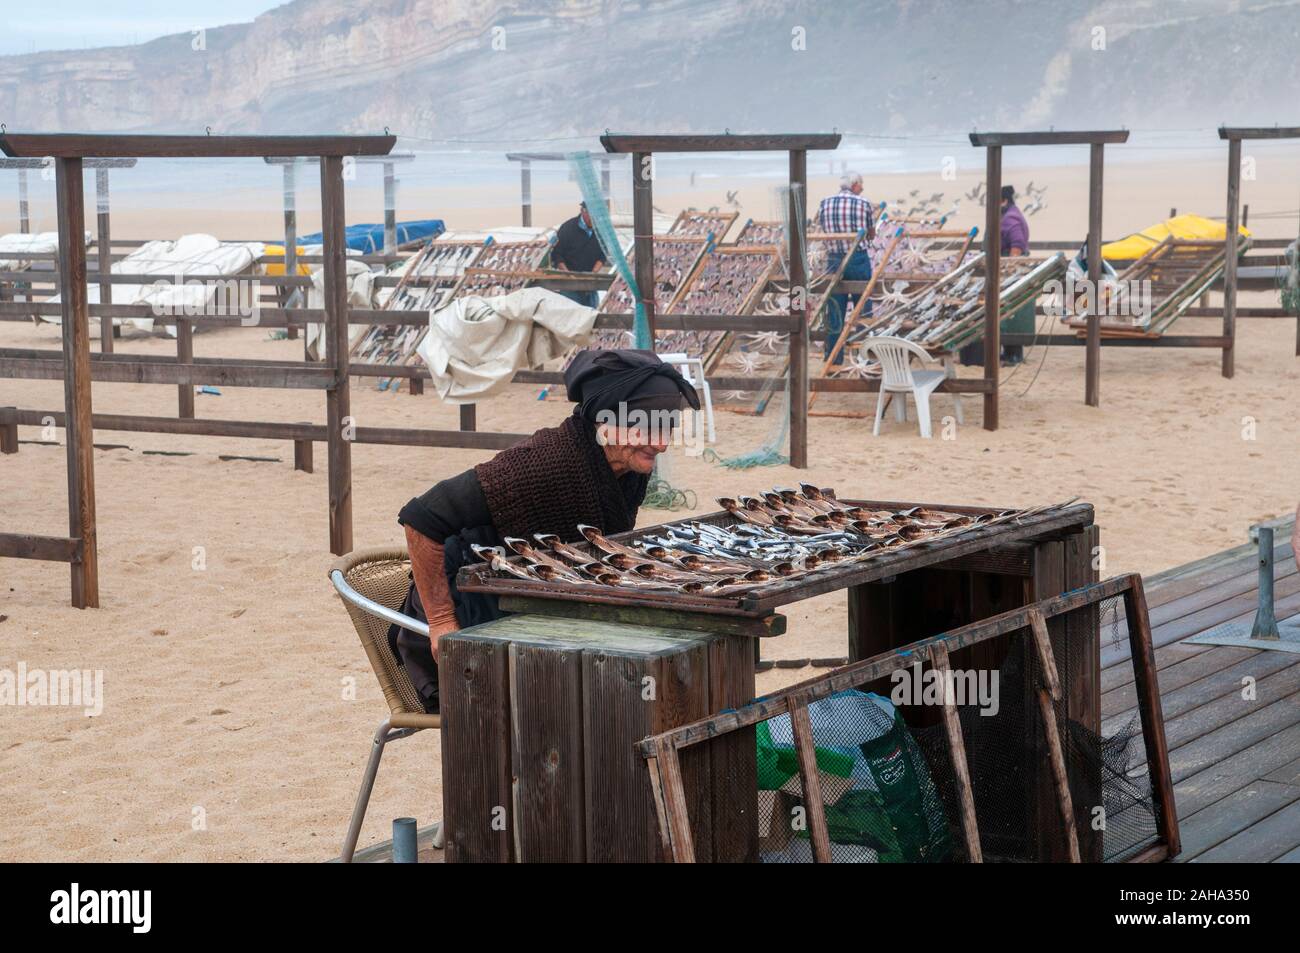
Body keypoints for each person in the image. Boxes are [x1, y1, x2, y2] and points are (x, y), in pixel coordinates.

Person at [391, 350, 700, 712]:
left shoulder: (628, 470)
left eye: (665, 428)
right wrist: (442, 623)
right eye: (645, 429)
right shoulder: (542, 465)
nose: (660, 443)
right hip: (475, 622)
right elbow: (420, 518)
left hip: (538, 610)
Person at [816, 172, 876, 364]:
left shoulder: (825, 202)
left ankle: (834, 358)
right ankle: (864, 357)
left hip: (834, 260)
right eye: (862, 184)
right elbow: (871, 234)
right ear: (855, 185)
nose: (863, 188)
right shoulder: (863, 203)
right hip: (857, 259)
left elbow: (823, 227)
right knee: (862, 308)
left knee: (834, 310)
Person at [550, 201, 607, 308]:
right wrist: (567, 274)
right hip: (569, 285)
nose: (594, 219)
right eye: (592, 215)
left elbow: (603, 254)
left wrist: (594, 273)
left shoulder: (600, 230)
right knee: (571, 316)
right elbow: (557, 254)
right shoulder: (568, 228)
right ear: (583, 212)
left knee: (592, 317)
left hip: (590, 285)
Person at [999, 185, 1032, 365]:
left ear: (1003, 201)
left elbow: (1017, 246)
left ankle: (1014, 355)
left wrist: (1008, 268)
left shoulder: (1010, 218)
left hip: (1011, 271)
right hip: (1011, 270)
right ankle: (1008, 352)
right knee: (1008, 313)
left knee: (1012, 313)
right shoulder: (1012, 214)